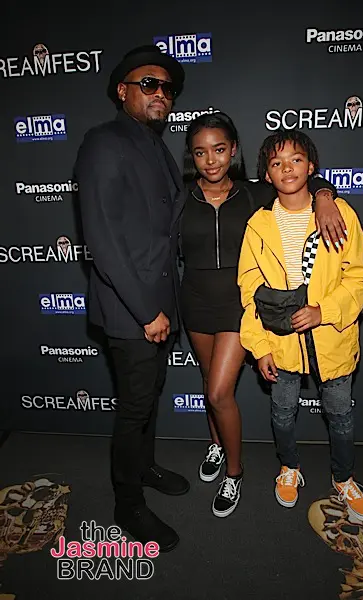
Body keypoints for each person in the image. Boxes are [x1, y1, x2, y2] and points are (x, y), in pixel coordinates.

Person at [180, 113, 343, 518]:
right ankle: (216, 445)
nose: (211, 160)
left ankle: (234, 474)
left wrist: (325, 196)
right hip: (195, 304)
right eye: (200, 153)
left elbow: (299, 181)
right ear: (191, 157)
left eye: (219, 150)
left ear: (233, 150)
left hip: (239, 307)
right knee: (207, 381)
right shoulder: (180, 196)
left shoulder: (255, 192)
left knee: (219, 392)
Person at [75, 45, 190, 552]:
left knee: (148, 397)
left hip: (161, 303)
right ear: (123, 91)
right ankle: (128, 503)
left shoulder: (158, 146)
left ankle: (144, 467)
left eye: (167, 87)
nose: (160, 93)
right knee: (134, 407)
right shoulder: (104, 142)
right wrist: (146, 312)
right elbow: (102, 239)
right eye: (149, 84)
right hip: (132, 310)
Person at [238, 129, 363, 521]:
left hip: (332, 338)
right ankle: (289, 467)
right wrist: (258, 346)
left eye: (296, 160)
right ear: (267, 174)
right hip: (280, 342)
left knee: (341, 415)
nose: (287, 168)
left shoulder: (338, 212)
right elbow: (249, 290)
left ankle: (343, 477)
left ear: (311, 166)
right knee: (282, 413)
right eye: (277, 162)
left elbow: (362, 274)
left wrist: (324, 310)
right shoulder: (258, 225)